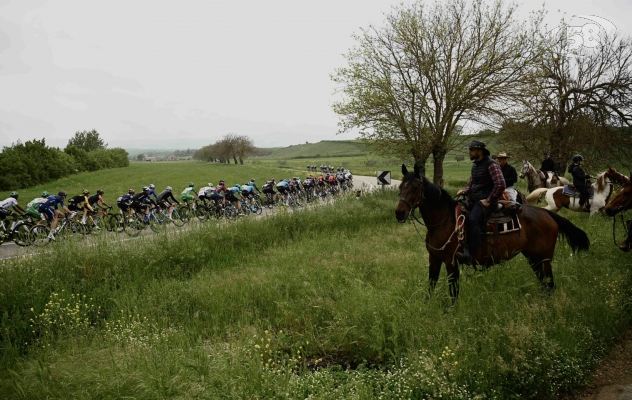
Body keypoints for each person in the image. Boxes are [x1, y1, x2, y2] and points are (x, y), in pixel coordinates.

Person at [456, 140, 506, 265]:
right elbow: (472, 182)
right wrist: (465, 191)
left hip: (486, 201)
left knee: (473, 219)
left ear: (480, 151)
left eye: (472, 150)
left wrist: (489, 199)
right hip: (474, 199)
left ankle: (471, 253)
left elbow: (500, 184)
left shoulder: (492, 164)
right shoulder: (475, 165)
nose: (469, 153)